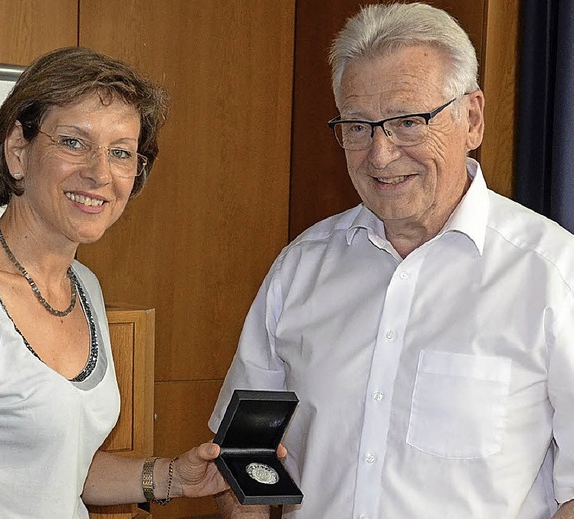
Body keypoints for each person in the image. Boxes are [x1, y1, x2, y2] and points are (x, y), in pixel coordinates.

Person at [209, 3, 574, 518]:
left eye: (408, 122)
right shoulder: (300, 269)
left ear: (472, 118)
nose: (380, 155)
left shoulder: (554, 276)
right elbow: (243, 457)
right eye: (357, 127)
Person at [0, 47, 227, 517]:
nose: (100, 173)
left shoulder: (84, 286)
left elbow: (57, 468)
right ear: (17, 152)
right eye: (73, 142)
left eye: (121, 153)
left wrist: (174, 476)